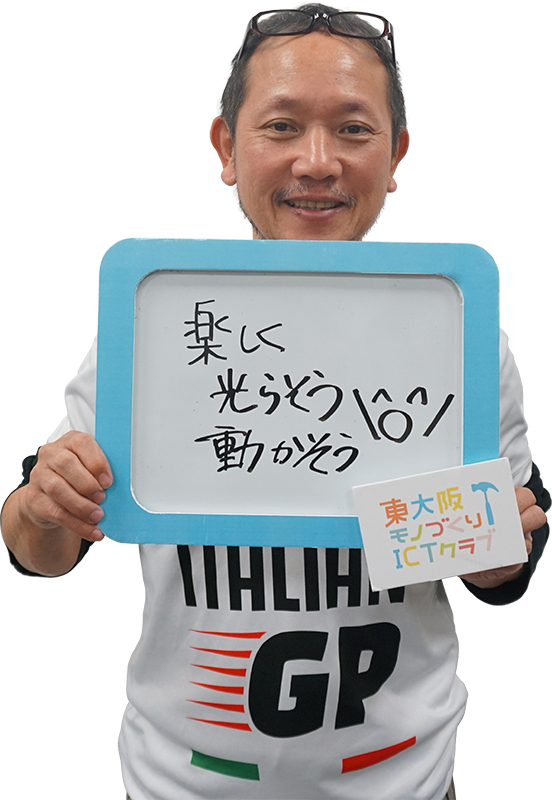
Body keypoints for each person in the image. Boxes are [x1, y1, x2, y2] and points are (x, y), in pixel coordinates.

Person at [1, 5, 549, 800]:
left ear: (396, 153)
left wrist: (500, 554)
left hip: (404, 782)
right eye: (282, 126)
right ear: (228, 147)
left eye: (354, 130)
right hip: (181, 784)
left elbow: (504, 568)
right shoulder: (158, 320)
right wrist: (44, 505)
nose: (317, 162)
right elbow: (38, 549)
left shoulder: (458, 331)